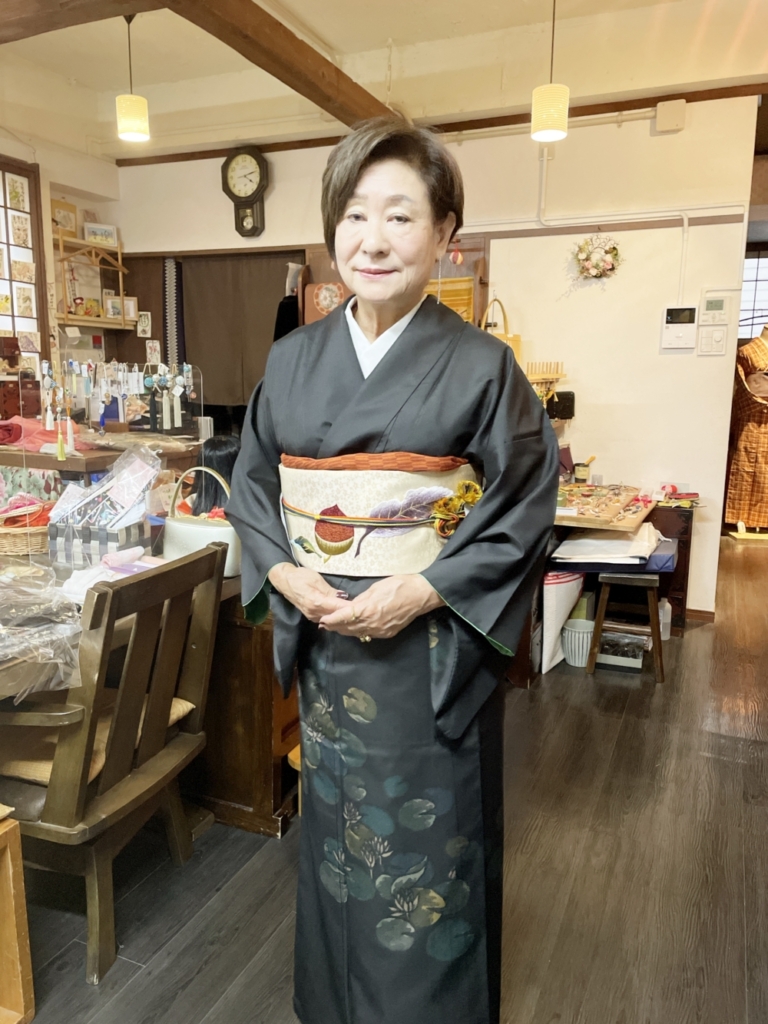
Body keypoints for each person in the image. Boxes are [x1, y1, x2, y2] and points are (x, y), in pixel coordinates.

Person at [227, 117, 559, 1024]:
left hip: (429, 657)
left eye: (401, 216)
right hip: (326, 643)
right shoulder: (292, 359)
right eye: (355, 215)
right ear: (333, 229)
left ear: (445, 233)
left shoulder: (483, 367)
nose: (373, 240)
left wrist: (424, 588)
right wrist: (283, 574)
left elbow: (525, 502)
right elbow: (252, 483)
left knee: (427, 845)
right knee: (338, 840)